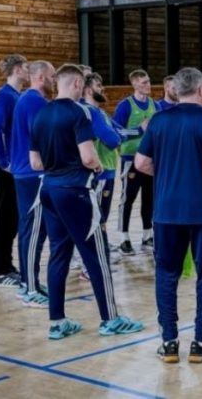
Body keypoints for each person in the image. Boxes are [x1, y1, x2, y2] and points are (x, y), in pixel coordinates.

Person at [29, 63, 144, 340]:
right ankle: (110, 319)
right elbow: (89, 157)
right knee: (96, 255)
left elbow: (35, 163)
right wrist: (94, 167)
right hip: (75, 191)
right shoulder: (81, 112)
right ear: (78, 84)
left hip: (49, 190)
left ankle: (57, 322)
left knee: (58, 254)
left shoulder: (42, 113)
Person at [134, 67, 202, 364]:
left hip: (166, 212)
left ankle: (169, 343)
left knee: (166, 275)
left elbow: (141, 163)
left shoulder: (158, 120)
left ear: (175, 90)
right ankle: (201, 343)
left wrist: (168, 173)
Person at [10, 60, 55, 308]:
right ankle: (29, 288)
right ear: (40, 77)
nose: (54, 81)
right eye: (52, 76)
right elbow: (43, 139)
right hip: (32, 174)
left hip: (27, 174)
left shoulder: (28, 100)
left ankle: (30, 282)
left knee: (32, 229)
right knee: (34, 230)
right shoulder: (34, 102)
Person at [73, 72, 123, 279]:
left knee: (95, 219)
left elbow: (120, 132)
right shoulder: (91, 112)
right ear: (87, 89)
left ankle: (85, 259)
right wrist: (117, 135)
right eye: (98, 85)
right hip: (100, 174)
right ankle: (90, 266)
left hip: (105, 172)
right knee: (96, 219)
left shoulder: (98, 111)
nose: (102, 88)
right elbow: (113, 139)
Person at [0, 54, 28, 288]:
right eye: (25, 67)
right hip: (7, 169)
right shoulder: (5, 96)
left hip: (17, 167)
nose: (28, 70)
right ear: (17, 70)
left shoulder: (17, 96)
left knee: (13, 218)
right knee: (5, 218)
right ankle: (1, 271)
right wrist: (4, 162)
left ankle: (8, 266)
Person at [114, 69, 158, 256]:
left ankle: (147, 235)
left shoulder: (155, 105)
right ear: (134, 84)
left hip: (150, 159)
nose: (148, 85)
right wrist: (139, 130)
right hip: (130, 159)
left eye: (148, 81)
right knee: (128, 198)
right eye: (143, 82)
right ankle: (123, 238)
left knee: (149, 198)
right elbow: (117, 132)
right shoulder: (125, 106)